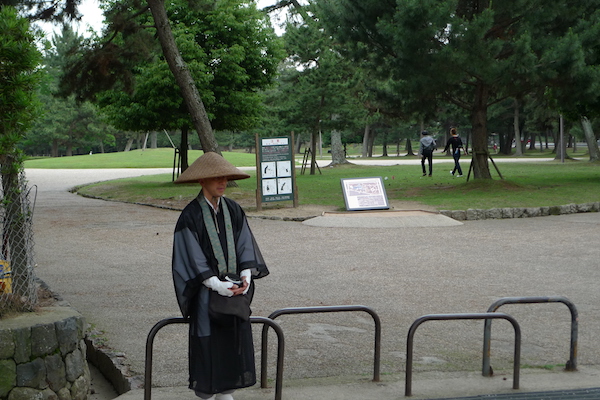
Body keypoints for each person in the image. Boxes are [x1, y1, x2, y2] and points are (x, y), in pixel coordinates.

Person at [172, 152, 269, 400]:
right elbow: (189, 255)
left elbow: (244, 244)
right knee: (208, 346)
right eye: (216, 178)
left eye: (224, 177)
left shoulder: (233, 210)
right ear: (202, 181)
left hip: (234, 294)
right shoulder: (190, 216)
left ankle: (227, 395)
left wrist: (245, 275)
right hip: (207, 297)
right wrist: (214, 283)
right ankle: (206, 395)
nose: (222, 182)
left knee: (231, 344)